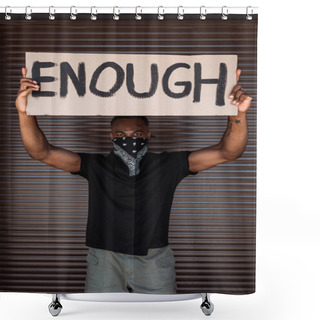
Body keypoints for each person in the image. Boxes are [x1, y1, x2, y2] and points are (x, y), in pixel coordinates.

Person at [15, 67, 252, 294]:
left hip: (154, 257)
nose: (129, 140)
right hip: (105, 258)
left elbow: (227, 152)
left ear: (148, 135)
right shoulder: (95, 165)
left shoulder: (170, 164)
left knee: (160, 315)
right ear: (111, 137)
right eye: (120, 136)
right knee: (102, 315)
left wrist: (238, 114)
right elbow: (42, 152)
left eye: (137, 135)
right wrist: (24, 112)